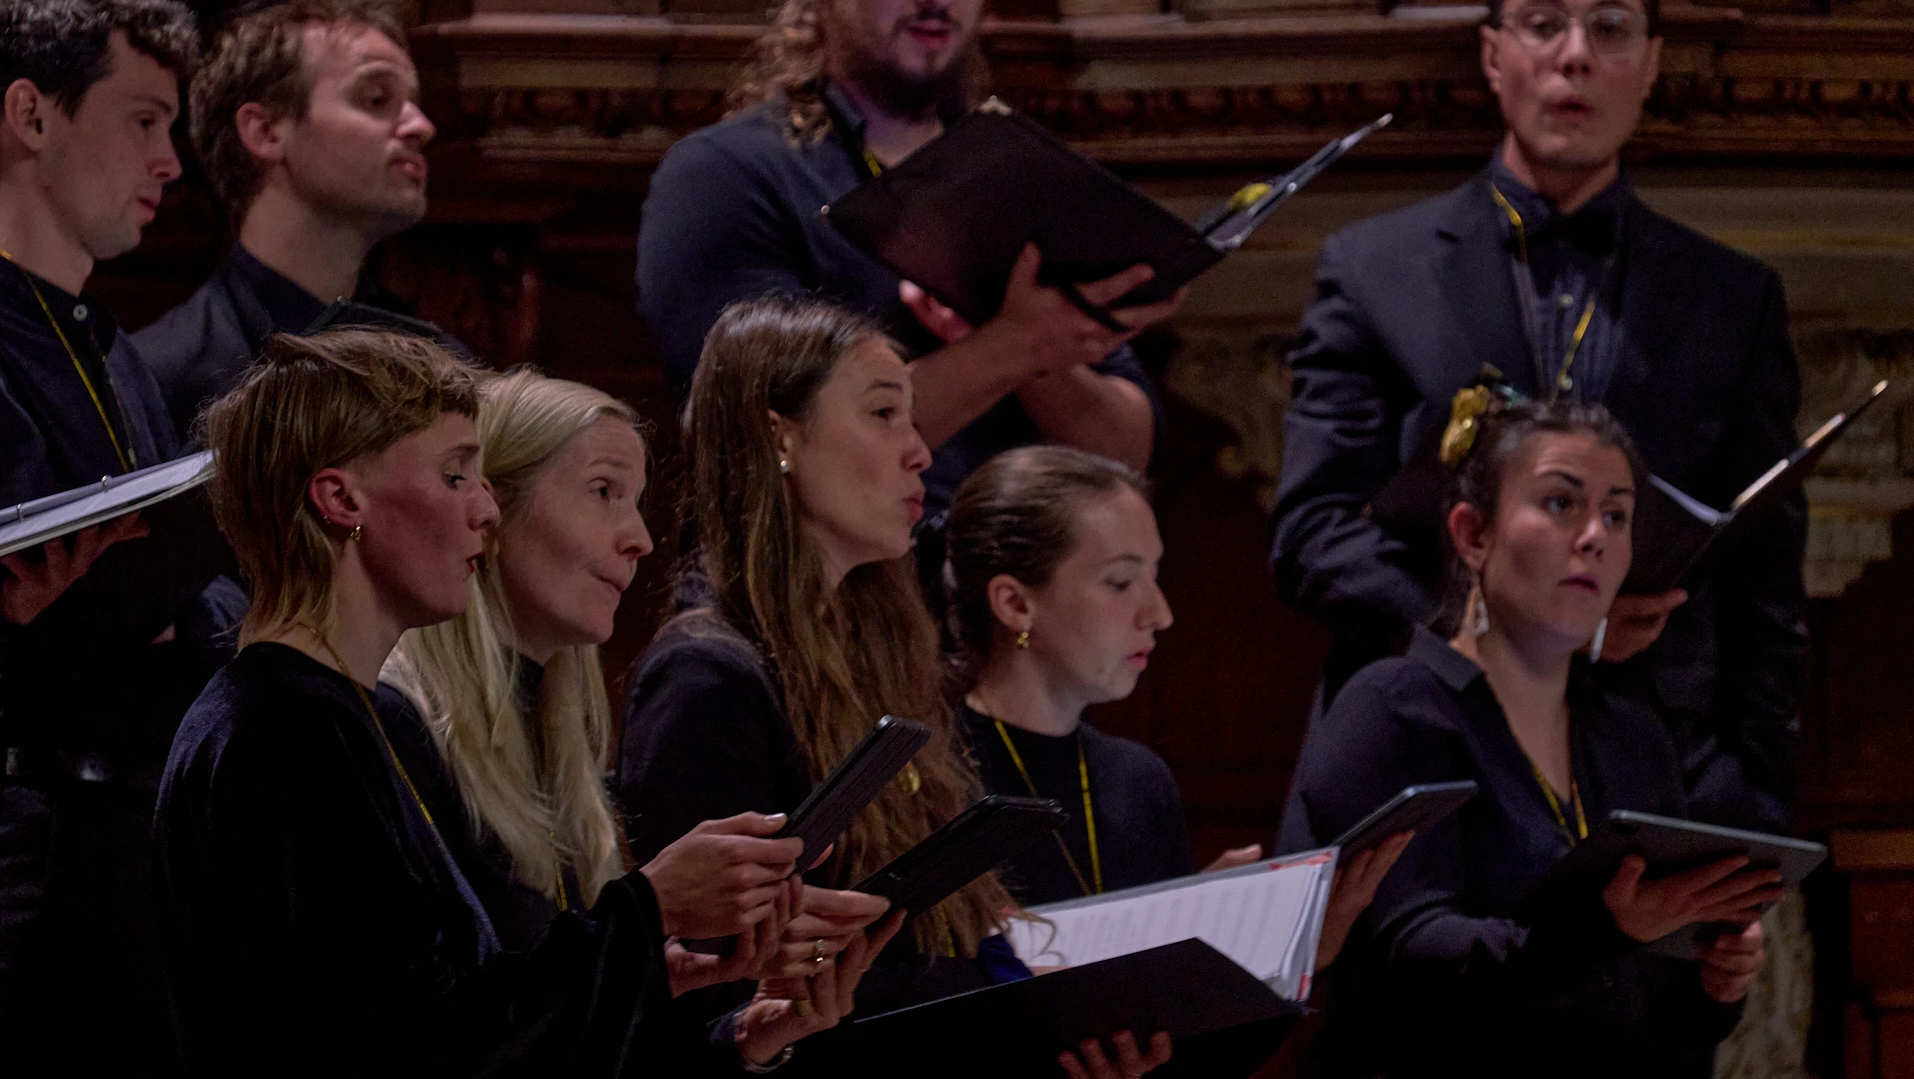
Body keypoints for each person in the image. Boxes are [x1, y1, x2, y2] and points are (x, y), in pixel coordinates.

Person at [155, 328, 881, 1076]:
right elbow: (422, 1047)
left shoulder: (322, 713)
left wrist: (727, 1035)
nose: (486, 510)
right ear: (342, 499)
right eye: (454, 476)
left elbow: (457, 1013)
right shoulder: (288, 730)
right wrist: (647, 910)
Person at [1270, 0, 1808, 830]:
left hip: (1659, 766)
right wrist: (1510, 624)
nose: (1575, 56)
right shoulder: (1375, 271)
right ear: (1493, 55)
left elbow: (1767, 584)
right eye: (1544, 23)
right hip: (1424, 747)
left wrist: (1757, 809)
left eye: (1610, 28)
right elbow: (1311, 536)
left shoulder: (1733, 296)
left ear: (1651, 61)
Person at [619, 295, 1171, 1078]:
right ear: (780, 436)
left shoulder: (877, 656)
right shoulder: (708, 676)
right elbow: (705, 1004)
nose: (919, 452)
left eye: (913, 420)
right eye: (883, 414)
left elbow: (926, 942)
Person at [635, 0, 1178, 526]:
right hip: (834, 586)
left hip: (1019, 579)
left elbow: (1125, 451)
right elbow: (772, 451)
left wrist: (1043, 356)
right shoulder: (726, 177)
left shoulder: (1010, 169)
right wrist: (1012, 345)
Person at [378, 366, 893, 1067]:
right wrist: (650, 907)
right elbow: (438, 1039)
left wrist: (743, 1043)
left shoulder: (555, 747)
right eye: (603, 492)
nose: (640, 539)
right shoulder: (397, 730)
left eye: (637, 502)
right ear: (492, 506)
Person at [1279, 397, 1780, 1078]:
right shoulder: (1396, 707)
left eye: (1616, 516)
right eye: (1559, 503)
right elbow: (1412, 959)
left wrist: (1714, 984)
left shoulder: (1631, 735)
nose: (1594, 536)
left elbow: (1644, 1022)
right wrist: (1605, 930)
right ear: (1472, 535)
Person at [946, 444, 1412, 1075]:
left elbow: (1186, 1059)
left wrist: (1297, 953)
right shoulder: (932, 780)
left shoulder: (1138, 780)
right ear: (1015, 603)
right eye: (1121, 582)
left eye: (1156, 576)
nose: (1160, 614)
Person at [0, 0, 223, 1074]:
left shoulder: (111, 347)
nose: (169, 162)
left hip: (120, 846)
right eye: (143, 121)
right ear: (31, 115)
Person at [133, 0, 447, 440]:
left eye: (414, 102)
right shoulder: (159, 377)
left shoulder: (441, 363)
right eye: (377, 98)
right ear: (265, 132)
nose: (421, 126)